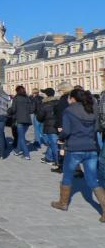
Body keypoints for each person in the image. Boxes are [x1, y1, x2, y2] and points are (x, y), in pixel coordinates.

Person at [51, 89, 105, 222]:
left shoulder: (69, 111)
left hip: (74, 148)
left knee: (67, 176)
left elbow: (66, 131)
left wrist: (61, 137)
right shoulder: (91, 109)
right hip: (91, 148)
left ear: (73, 98)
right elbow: (97, 128)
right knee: (92, 180)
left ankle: (63, 203)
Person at [9, 85, 34, 160]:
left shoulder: (16, 98)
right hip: (27, 120)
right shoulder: (28, 98)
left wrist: (8, 111)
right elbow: (31, 110)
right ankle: (17, 150)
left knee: (22, 138)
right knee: (21, 136)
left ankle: (26, 154)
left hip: (19, 120)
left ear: (17, 91)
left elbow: (13, 109)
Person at [36, 88, 59, 165]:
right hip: (59, 125)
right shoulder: (58, 102)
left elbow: (39, 117)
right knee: (53, 142)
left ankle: (58, 162)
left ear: (46, 95)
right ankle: (49, 158)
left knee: (54, 144)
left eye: (44, 93)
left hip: (50, 126)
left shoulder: (45, 104)